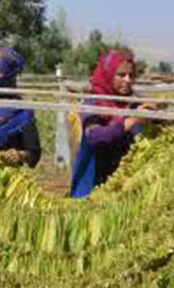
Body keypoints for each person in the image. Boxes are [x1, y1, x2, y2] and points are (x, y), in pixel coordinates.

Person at [70, 49, 163, 198]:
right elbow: (94, 136)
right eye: (121, 75)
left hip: (125, 191)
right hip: (91, 189)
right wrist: (132, 120)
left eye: (131, 75)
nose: (128, 80)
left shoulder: (134, 104)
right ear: (108, 75)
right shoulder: (93, 103)